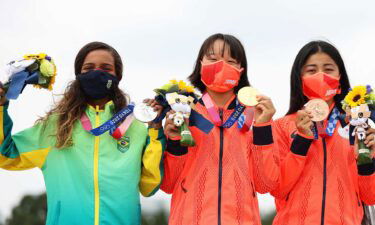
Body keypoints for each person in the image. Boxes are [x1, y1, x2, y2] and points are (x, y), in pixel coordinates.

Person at [0, 41, 165, 225]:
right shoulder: (56, 127)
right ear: (79, 75)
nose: (97, 72)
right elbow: (5, 155)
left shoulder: (134, 126)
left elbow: (149, 186)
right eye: (88, 68)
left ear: (118, 75)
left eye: (106, 68)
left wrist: (156, 131)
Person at [161, 33, 279, 225]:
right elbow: (168, 184)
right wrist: (175, 142)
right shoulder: (184, 112)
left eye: (231, 61)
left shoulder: (255, 115)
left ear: (241, 70)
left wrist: (263, 127)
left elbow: (265, 184)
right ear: (200, 64)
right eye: (213, 59)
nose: (221, 66)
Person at [271, 40, 375, 224]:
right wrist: (301, 140)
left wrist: (367, 162)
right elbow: (278, 188)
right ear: (299, 79)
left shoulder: (358, 126)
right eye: (311, 70)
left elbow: (370, 197)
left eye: (328, 69)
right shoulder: (281, 127)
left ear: (340, 80)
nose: (320, 76)